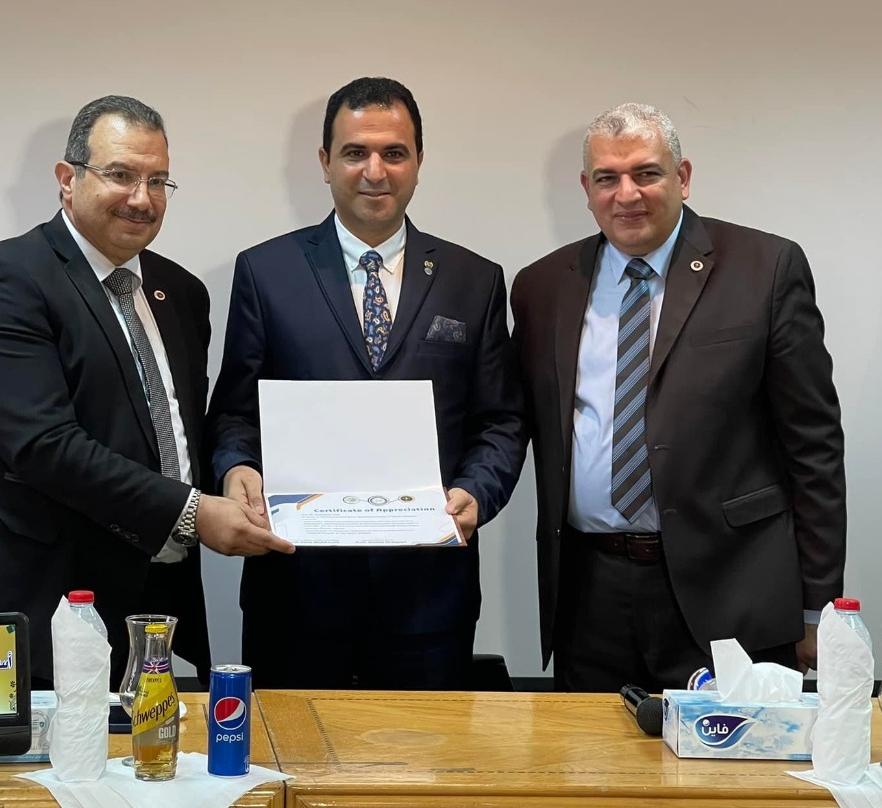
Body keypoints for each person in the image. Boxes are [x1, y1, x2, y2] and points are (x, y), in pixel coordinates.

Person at [0, 95, 292, 690]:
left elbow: (177, 428)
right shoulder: (8, 277)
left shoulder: (180, 292)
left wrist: (234, 470)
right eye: (121, 174)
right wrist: (193, 512)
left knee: (155, 749)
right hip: (36, 604)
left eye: (158, 180)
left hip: (151, 606)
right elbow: (43, 445)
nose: (142, 198)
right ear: (68, 179)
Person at [510, 102, 846, 693]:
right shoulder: (542, 287)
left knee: (732, 753)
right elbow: (517, 421)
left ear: (683, 177)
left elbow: (813, 448)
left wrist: (818, 606)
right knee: (589, 752)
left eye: (646, 173)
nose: (627, 194)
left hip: (731, 588)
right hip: (590, 596)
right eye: (607, 178)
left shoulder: (765, 268)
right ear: (586, 189)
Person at [207, 77, 527, 690]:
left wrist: (475, 494)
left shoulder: (474, 279)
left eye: (394, 153)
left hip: (428, 598)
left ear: (419, 161)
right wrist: (235, 468)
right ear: (325, 161)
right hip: (295, 589)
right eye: (355, 152)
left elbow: (501, 421)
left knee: (421, 753)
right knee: (289, 751)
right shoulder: (266, 271)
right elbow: (234, 412)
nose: (375, 171)